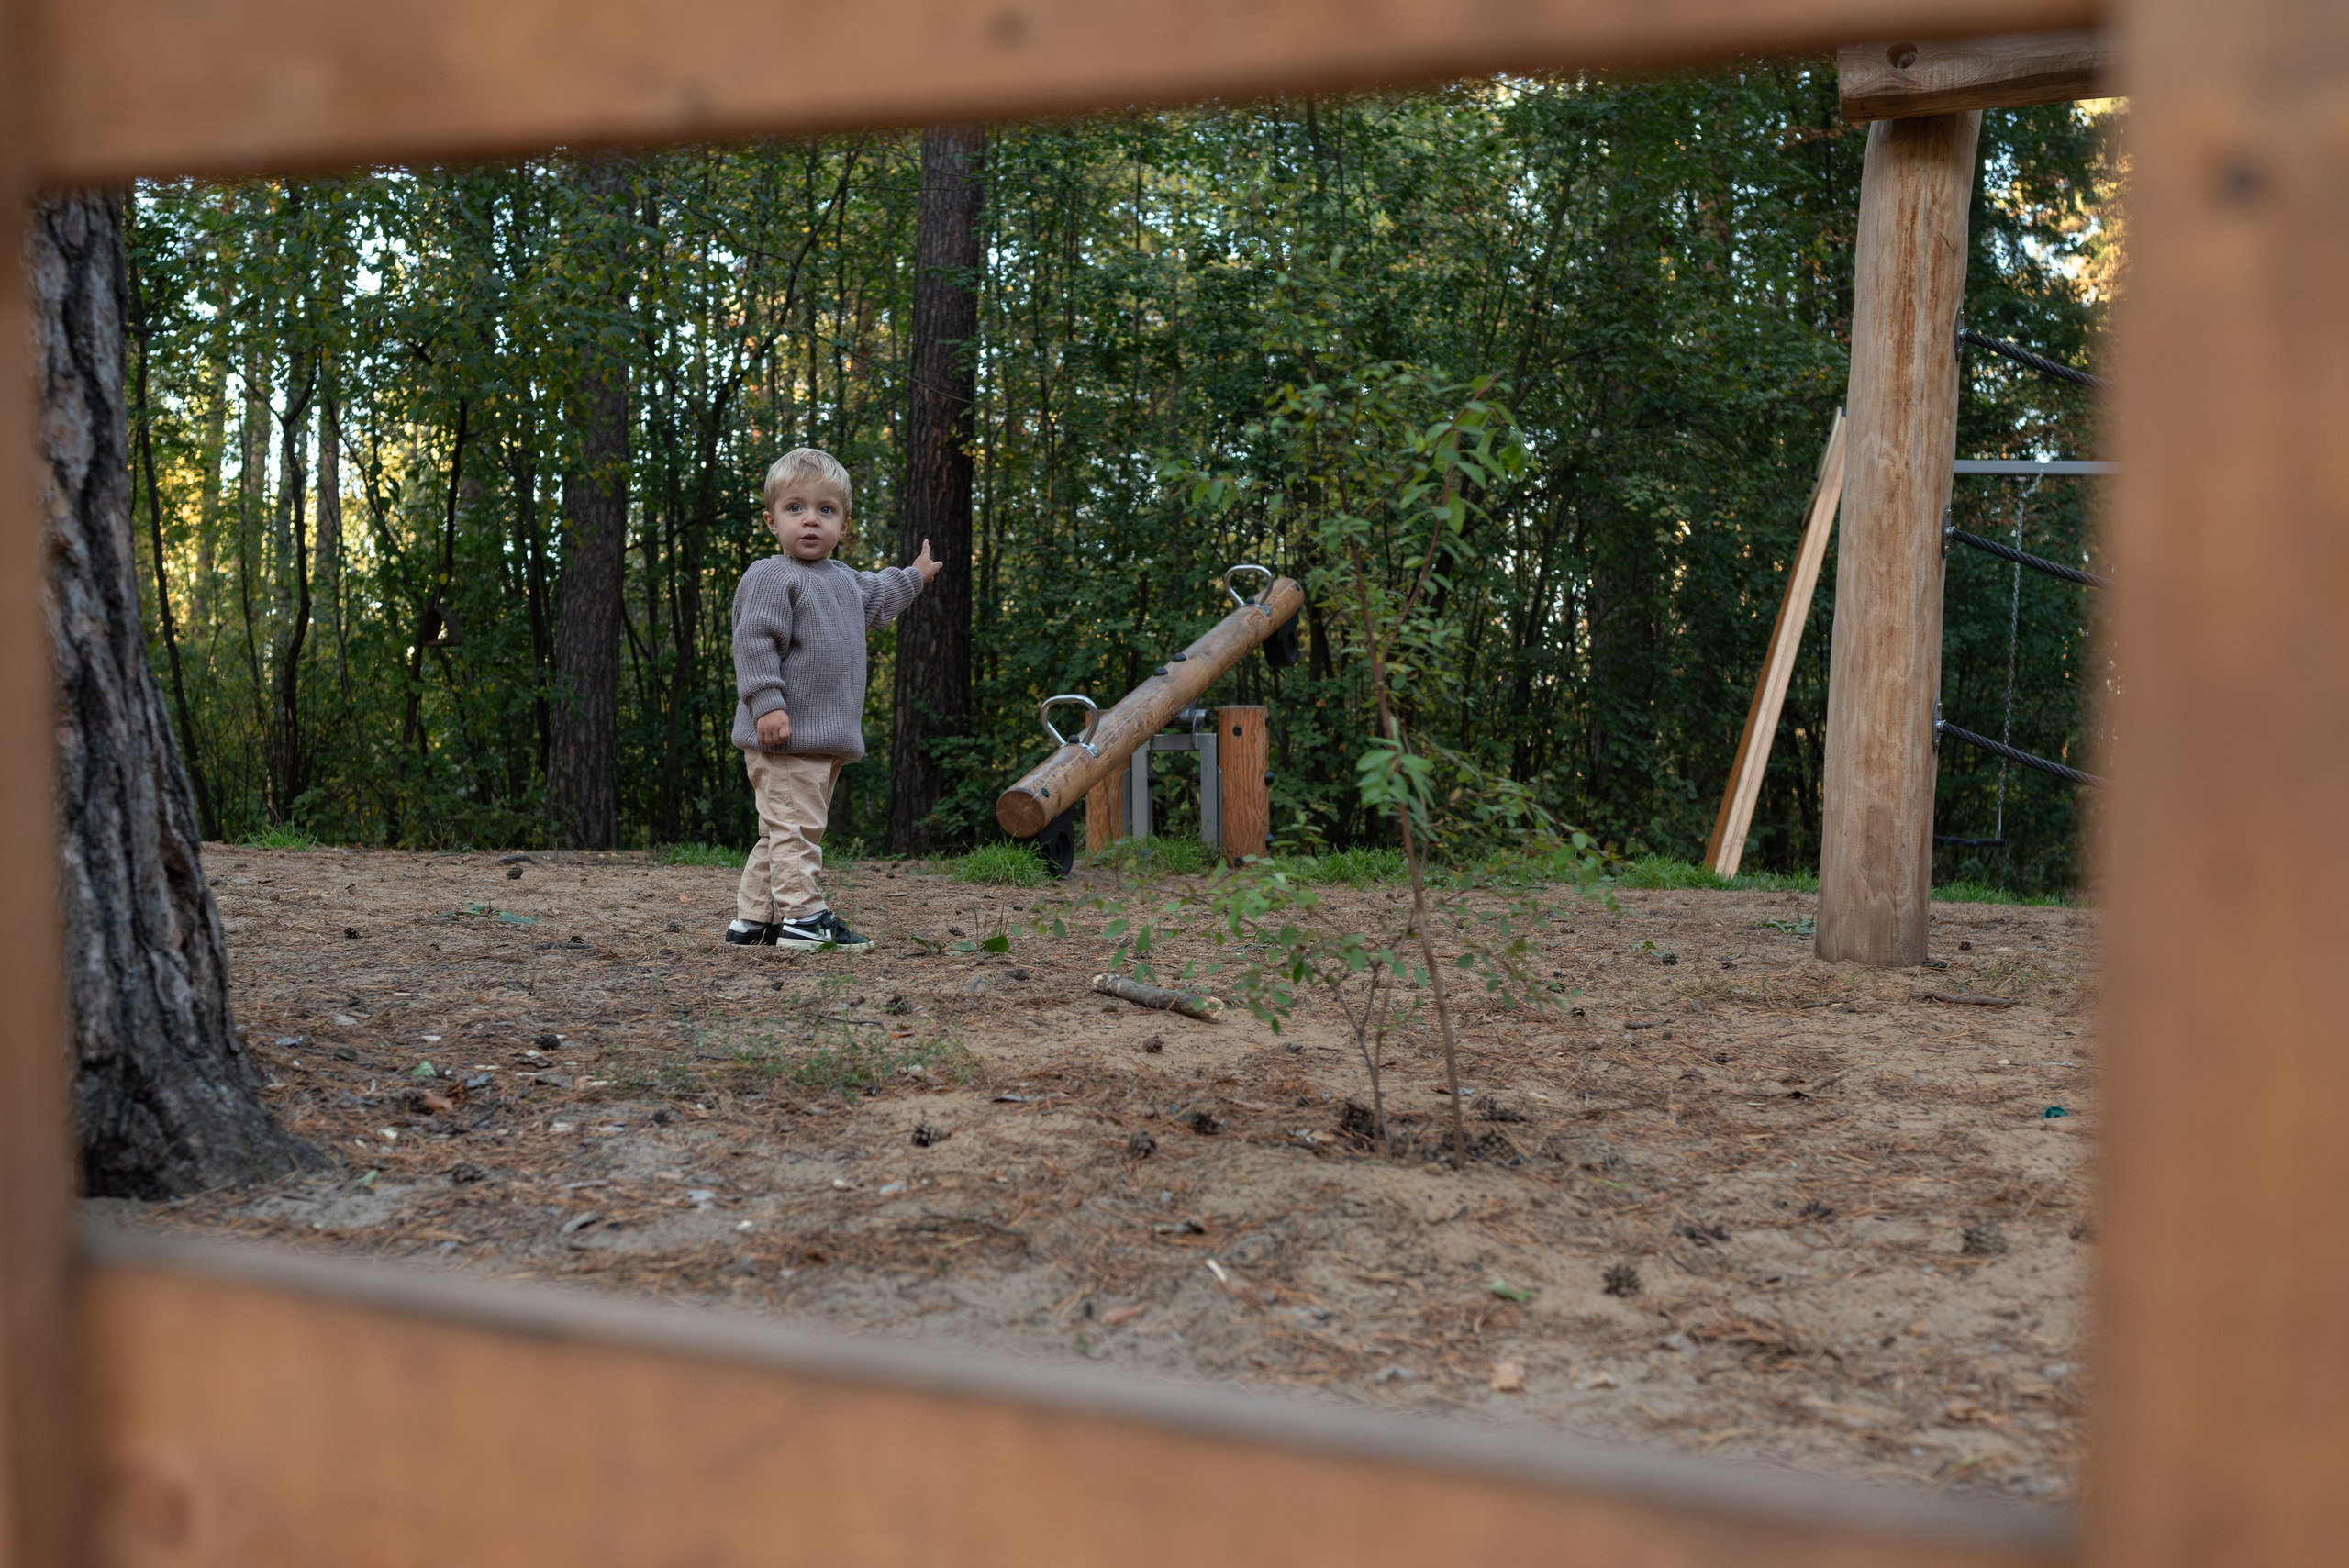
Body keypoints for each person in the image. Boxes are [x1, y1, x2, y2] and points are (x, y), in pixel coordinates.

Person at [726, 447, 941, 950]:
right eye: (795, 508)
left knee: (784, 830)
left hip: (824, 739)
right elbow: (754, 641)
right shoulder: (770, 575)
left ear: (844, 526)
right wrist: (766, 703)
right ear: (771, 521)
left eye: (826, 510)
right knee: (796, 830)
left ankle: (753, 920)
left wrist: (915, 576)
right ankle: (804, 918)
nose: (810, 520)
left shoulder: (843, 580)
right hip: (782, 734)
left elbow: (880, 594)